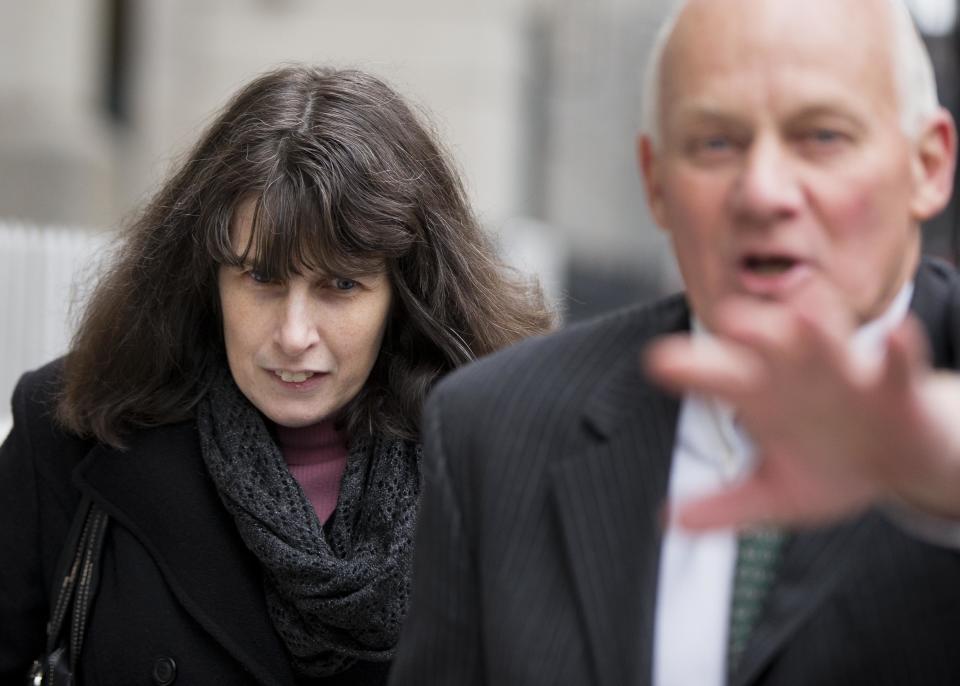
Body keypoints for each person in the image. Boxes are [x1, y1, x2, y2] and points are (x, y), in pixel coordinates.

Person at [389, 1, 960, 685]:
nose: (763, 191)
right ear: (655, 180)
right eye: (716, 143)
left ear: (928, 165)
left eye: (822, 137)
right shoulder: (495, 430)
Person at [0, 66, 552, 684]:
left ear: (402, 296)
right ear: (206, 278)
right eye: (261, 279)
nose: (294, 335)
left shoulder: (497, 472)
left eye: (340, 285)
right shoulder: (71, 431)